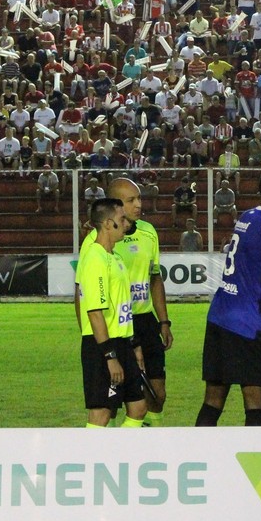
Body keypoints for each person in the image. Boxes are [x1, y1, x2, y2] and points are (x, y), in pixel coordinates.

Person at [195, 166, 261, 427]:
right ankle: (256, 465)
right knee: (255, 400)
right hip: (247, 324)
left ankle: (197, 454)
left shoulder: (249, 215)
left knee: (213, 399)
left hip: (220, 315)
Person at [75, 197, 148, 428]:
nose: (126, 223)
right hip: (102, 347)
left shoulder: (115, 257)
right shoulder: (95, 259)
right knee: (102, 414)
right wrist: (110, 357)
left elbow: (122, 308)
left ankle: (117, 457)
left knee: (138, 407)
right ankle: (91, 459)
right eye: (121, 219)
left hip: (122, 343)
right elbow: (95, 312)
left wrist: (134, 346)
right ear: (107, 224)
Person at [109, 176, 174, 428]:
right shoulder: (104, 238)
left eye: (139, 198)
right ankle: (118, 448)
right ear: (116, 204)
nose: (138, 204)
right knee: (117, 400)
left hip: (146, 321)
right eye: (131, 200)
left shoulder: (148, 232)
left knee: (157, 395)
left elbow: (155, 277)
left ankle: (153, 442)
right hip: (118, 324)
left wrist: (164, 321)